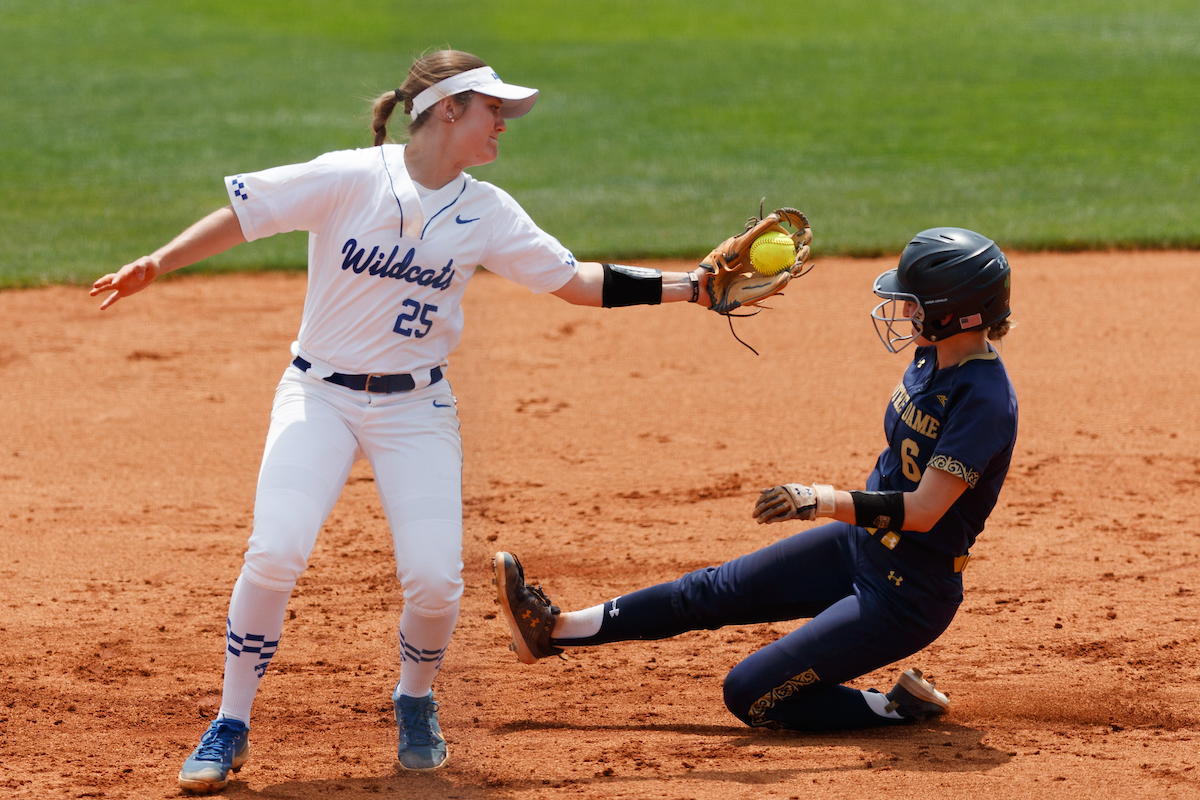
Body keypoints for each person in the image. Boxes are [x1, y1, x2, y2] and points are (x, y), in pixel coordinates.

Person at [91, 50, 713, 794]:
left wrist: (691, 287)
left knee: (436, 582)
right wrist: (157, 263)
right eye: (493, 111)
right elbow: (247, 215)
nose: (503, 126)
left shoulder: (488, 211)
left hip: (416, 408)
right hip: (318, 396)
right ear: (448, 109)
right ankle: (230, 721)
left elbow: (574, 281)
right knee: (275, 552)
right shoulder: (348, 176)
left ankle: (414, 702)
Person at [495, 227, 1017, 732]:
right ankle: (551, 630)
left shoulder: (984, 401)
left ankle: (898, 708)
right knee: (706, 592)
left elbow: (924, 511)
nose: (902, 312)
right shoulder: (932, 355)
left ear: (954, 314)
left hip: (908, 592)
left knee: (747, 691)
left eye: (914, 304)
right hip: (861, 544)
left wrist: (820, 499)